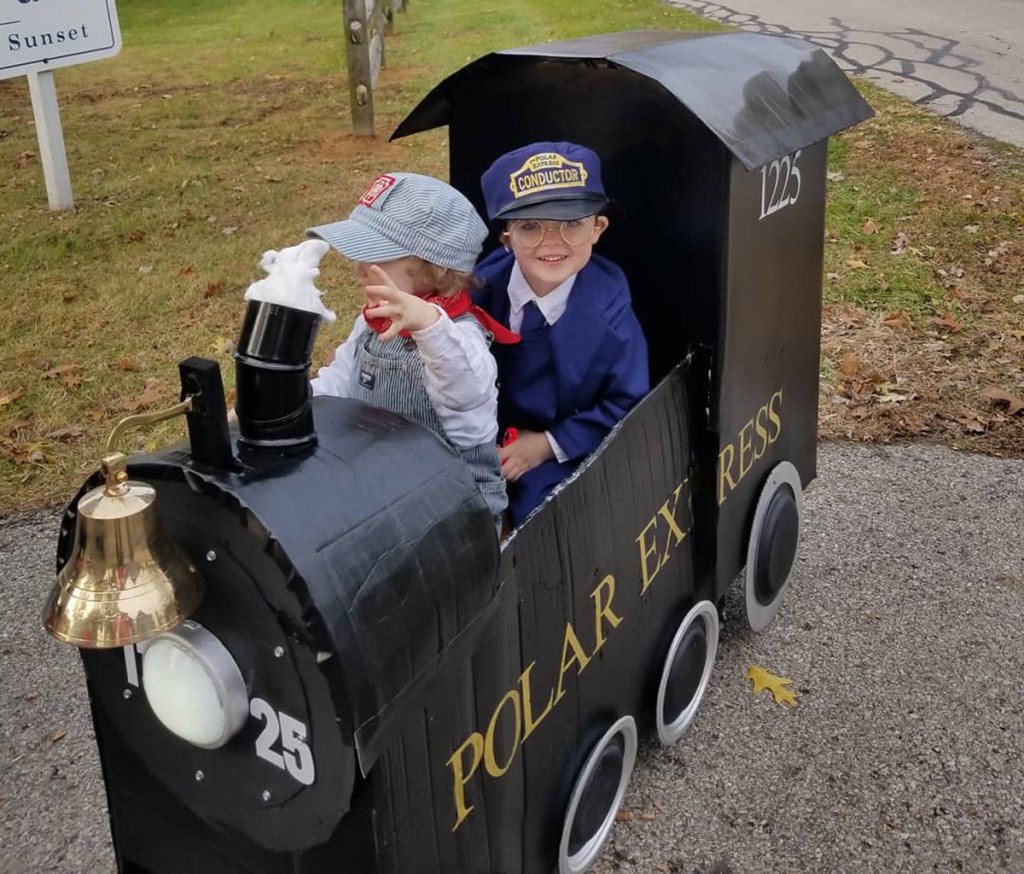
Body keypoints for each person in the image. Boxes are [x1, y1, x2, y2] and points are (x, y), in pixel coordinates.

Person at [307, 172, 518, 527]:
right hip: (382, 486)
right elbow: (339, 382)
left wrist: (428, 324)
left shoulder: (462, 339)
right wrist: (287, 402)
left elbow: (464, 396)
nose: (357, 269)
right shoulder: (372, 323)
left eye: (372, 256)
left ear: (434, 269)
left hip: (453, 510)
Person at [473, 142, 649, 527]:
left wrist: (547, 445)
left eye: (571, 223)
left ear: (597, 228)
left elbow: (626, 403)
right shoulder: (479, 291)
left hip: (558, 447)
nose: (551, 243)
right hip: (477, 433)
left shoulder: (611, 317)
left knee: (548, 519)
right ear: (507, 238)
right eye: (530, 226)